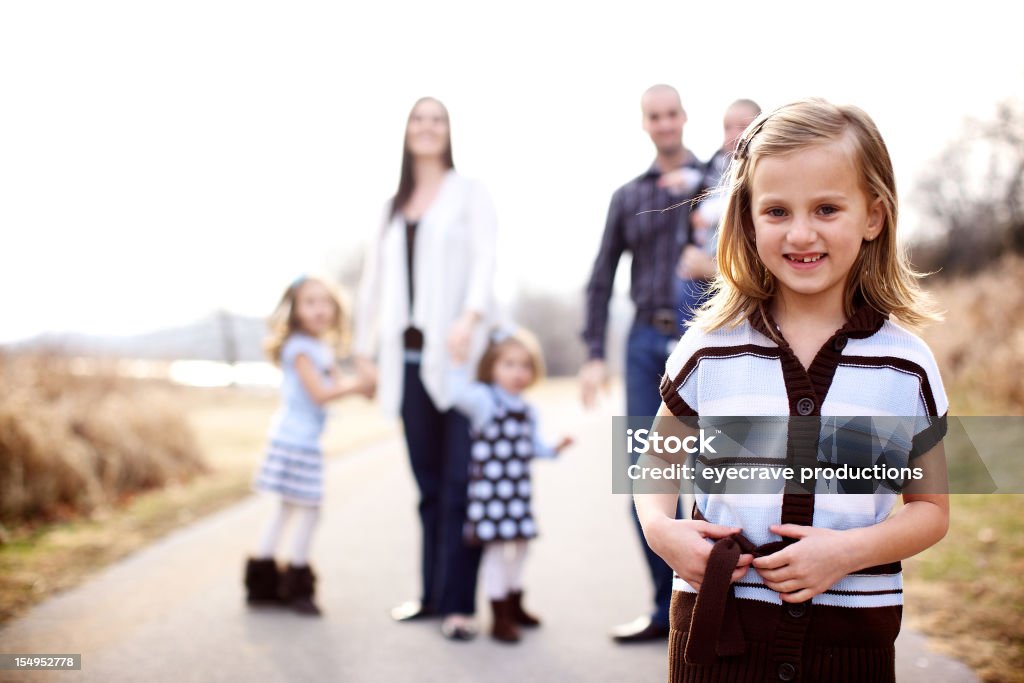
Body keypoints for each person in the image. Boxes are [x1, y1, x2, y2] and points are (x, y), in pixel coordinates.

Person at [636, 98, 949, 680]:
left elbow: (931, 511)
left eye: (827, 208)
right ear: (748, 220)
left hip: (849, 646)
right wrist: (661, 531)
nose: (801, 233)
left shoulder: (906, 365)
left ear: (873, 216)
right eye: (777, 211)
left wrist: (847, 553)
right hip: (718, 636)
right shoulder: (708, 347)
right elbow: (656, 460)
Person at [353, 96, 498, 640]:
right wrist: (361, 351)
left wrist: (470, 316)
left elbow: (486, 257)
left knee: (461, 483)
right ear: (407, 131)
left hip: (458, 361)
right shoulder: (391, 206)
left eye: (437, 119)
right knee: (429, 486)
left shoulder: (469, 194)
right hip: (406, 364)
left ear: (448, 131)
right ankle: (431, 596)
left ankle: (461, 605)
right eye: (419, 119)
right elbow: (371, 285)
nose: (428, 127)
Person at [580, 84, 702, 643]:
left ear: (684, 116)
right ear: (645, 124)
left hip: (703, 340)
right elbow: (601, 276)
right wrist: (592, 354)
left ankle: (708, 601)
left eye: (672, 113)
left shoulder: (717, 182)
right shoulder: (628, 197)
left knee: (710, 473)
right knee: (644, 472)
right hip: (643, 343)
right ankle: (664, 607)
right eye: (654, 116)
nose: (665, 123)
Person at [244, 274, 373, 616]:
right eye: (310, 302)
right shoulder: (300, 348)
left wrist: (363, 387)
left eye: (325, 302)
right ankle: (296, 585)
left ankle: (262, 582)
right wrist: (357, 387)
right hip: (296, 442)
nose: (319, 309)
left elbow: (336, 385)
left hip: (295, 440)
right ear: (295, 311)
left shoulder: (320, 347)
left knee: (287, 509)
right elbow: (321, 394)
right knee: (309, 511)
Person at [450, 329, 573, 643]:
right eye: (509, 364)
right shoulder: (484, 399)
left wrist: (555, 448)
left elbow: (534, 447)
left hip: (517, 495)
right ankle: (499, 614)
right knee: (495, 554)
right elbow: (457, 394)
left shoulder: (528, 410)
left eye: (525, 365)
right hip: (490, 496)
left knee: (521, 547)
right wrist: (456, 362)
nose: (518, 373)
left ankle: (515, 601)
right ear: (492, 367)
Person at [674, 99, 762, 319]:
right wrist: (684, 179)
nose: (733, 135)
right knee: (685, 287)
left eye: (742, 128)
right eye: (727, 128)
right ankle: (683, 338)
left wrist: (705, 213)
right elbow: (704, 181)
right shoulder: (719, 162)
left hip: (735, 259)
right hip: (709, 247)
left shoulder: (760, 168)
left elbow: (737, 198)